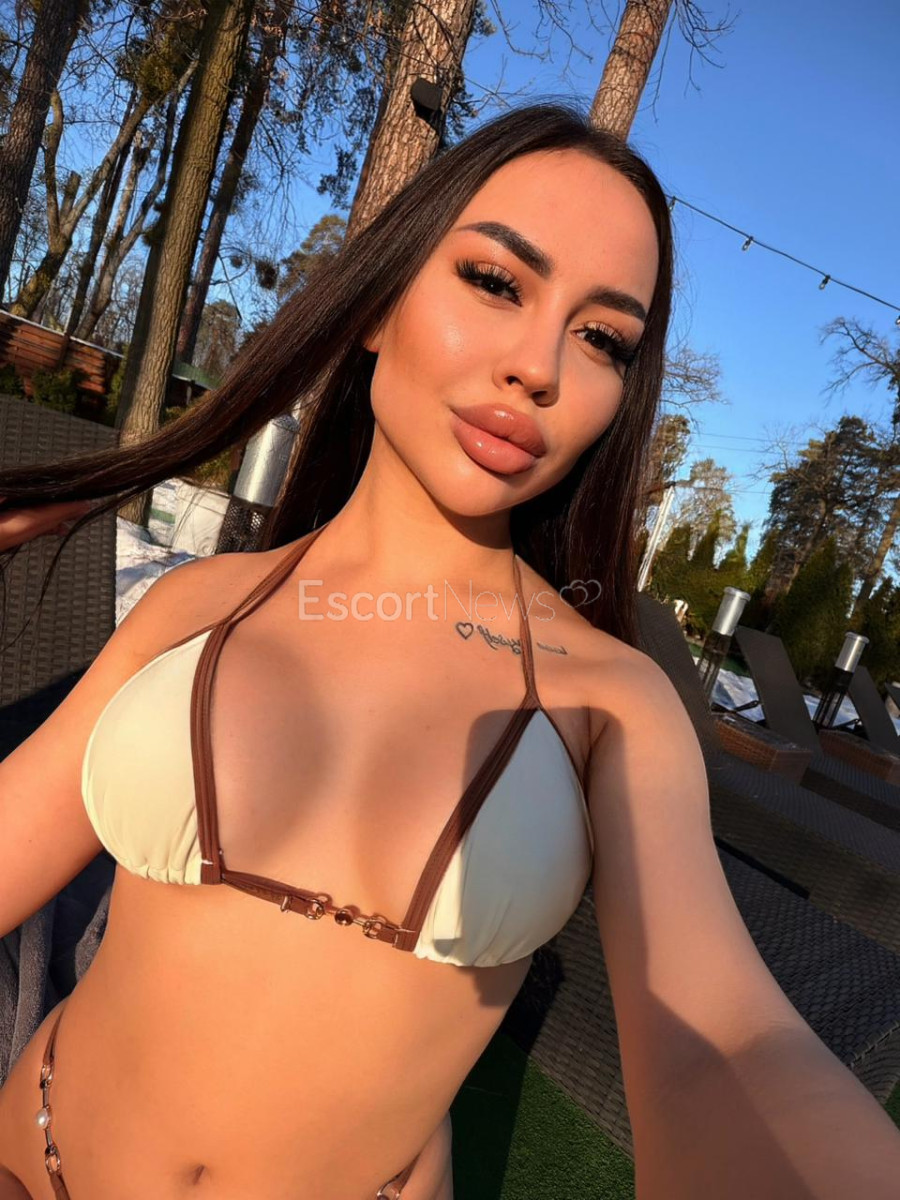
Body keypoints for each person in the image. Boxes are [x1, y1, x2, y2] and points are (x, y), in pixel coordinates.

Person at [0, 99, 898, 1200]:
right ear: (380, 303)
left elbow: (724, 1041)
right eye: (495, 281)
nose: (539, 366)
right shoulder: (196, 607)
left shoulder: (611, 704)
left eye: (602, 338)